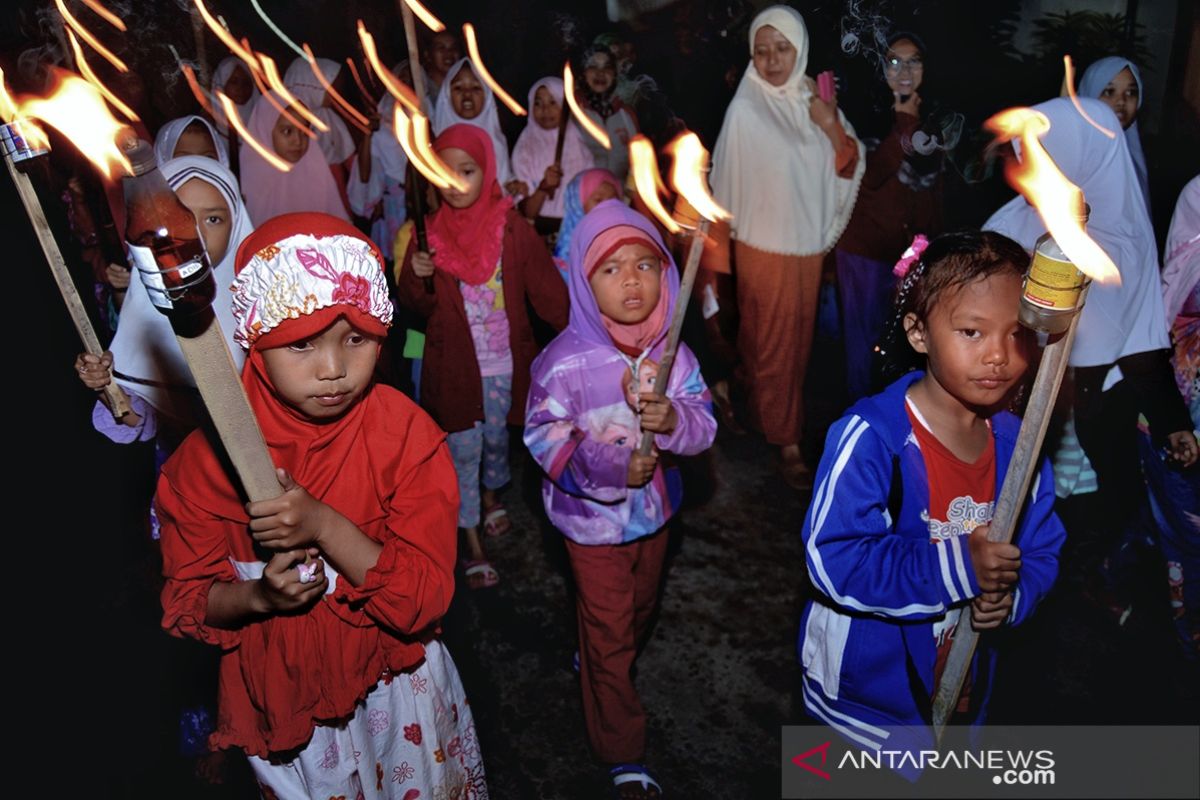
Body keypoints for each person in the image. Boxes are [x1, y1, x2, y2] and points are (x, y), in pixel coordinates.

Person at [157, 212, 487, 799]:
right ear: (255, 337)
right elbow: (190, 600)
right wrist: (258, 596)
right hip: (290, 712)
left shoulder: (405, 436)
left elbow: (423, 600)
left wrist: (325, 525)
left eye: (355, 339)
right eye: (301, 342)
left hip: (397, 688)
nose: (333, 370)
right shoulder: (204, 466)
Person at [799, 231, 1065, 764]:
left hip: (959, 688)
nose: (997, 355)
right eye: (972, 331)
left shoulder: (1021, 447)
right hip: (863, 703)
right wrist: (961, 566)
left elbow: (1041, 549)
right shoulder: (872, 438)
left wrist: (1013, 597)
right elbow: (834, 559)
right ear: (919, 333)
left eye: (1017, 335)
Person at [524, 200, 716, 799]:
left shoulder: (674, 355)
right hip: (590, 525)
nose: (631, 280)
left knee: (638, 611)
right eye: (610, 269)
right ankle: (621, 749)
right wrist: (610, 463)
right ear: (582, 281)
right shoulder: (562, 364)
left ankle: (601, 656)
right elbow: (544, 435)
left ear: (667, 274)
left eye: (645, 264)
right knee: (609, 634)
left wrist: (676, 417)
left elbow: (704, 424)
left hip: (655, 517)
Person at [984, 98, 1196, 545]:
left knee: (1078, 522)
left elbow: (1141, 338)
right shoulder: (1015, 225)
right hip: (1016, 405)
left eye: (1046, 150)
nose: (1032, 161)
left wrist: (1172, 421)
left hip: (1094, 416)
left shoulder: (1127, 237)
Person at [396, 124, 568, 589]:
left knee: (495, 444)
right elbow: (416, 307)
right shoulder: (425, 237)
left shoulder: (510, 228)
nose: (455, 182)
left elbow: (550, 295)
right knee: (461, 455)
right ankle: (471, 541)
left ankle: (491, 495)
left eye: (467, 171)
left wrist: (589, 332)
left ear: (487, 170)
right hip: (453, 372)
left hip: (505, 369)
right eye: (443, 172)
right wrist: (416, 275)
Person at [711, 4, 865, 487]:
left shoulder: (812, 100)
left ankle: (741, 391)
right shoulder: (744, 110)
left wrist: (828, 122)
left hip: (806, 247)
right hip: (763, 245)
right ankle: (788, 443)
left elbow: (847, 161)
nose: (773, 60)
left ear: (799, 51)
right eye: (762, 51)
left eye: (782, 49)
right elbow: (723, 184)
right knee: (775, 345)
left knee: (788, 346)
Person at [76, 155, 252, 449]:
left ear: (236, 226)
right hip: (192, 472)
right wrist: (107, 386)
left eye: (214, 219)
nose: (196, 232)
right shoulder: (148, 304)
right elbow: (139, 419)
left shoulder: (262, 305)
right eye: (177, 217)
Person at [836, 31, 950, 402]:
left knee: (905, 339)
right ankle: (858, 416)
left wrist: (927, 248)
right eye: (894, 61)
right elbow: (869, 177)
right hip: (863, 250)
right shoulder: (862, 113)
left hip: (908, 253)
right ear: (880, 68)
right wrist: (903, 123)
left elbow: (933, 192)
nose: (904, 70)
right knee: (862, 343)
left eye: (913, 60)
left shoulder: (932, 118)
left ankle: (896, 420)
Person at [240, 98, 350, 223]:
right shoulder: (251, 180)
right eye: (287, 131)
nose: (298, 141)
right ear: (264, 130)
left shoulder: (315, 169)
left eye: (304, 132)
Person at [512, 76, 596, 235]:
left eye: (553, 102)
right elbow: (527, 212)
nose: (545, 109)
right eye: (538, 103)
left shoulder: (580, 146)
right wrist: (543, 188)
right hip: (538, 231)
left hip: (576, 228)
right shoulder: (525, 148)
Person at [433, 58, 521, 194]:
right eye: (458, 88)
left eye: (475, 88)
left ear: (487, 96)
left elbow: (503, 185)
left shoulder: (496, 141)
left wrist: (512, 187)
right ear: (447, 95)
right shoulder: (433, 141)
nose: (467, 94)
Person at [1079, 57, 1150, 214]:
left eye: (1131, 92)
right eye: (1109, 92)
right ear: (1089, 95)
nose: (1121, 101)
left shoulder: (1133, 160)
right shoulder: (1068, 155)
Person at [576, 45, 639, 182]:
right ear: (583, 73)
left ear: (615, 74)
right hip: (580, 199)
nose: (600, 73)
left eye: (607, 67)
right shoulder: (573, 112)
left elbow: (638, 166)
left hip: (618, 199)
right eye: (593, 66)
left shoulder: (626, 114)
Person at [283, 56, 358, 167]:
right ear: (313, 86)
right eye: (333, 90)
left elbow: (349, 160)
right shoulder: (283, 122)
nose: (338, 95)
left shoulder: (326, 116)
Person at [552, 168, 624, 279]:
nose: (607, 206)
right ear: (577, 204)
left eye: (613, 200)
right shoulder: (566, 253)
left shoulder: (625, 239)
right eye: (598, 200)